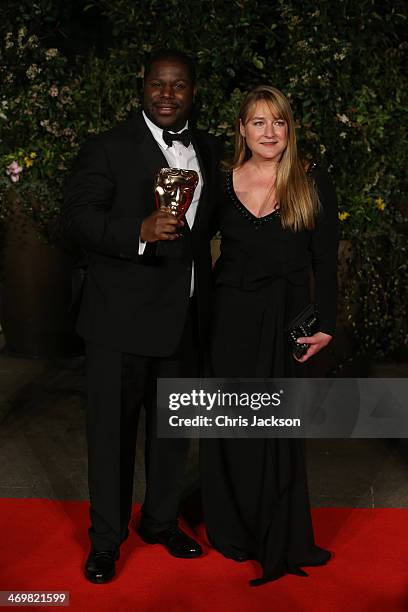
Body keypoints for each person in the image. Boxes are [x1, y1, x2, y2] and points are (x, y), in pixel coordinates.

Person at [62, 49, 220, 583]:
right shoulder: (107, 147)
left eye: (178, 86)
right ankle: (106, 541)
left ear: (192, 91)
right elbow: (79, 219)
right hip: (118, 323)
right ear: (144, 87)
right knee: (111, 439)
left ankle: (160, 521)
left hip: (184, 319)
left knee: (172, 434)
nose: (168, 95)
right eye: (158, 85)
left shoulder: (210, 150)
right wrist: (138, 230)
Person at [200, 85, 338, 585]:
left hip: (286, 321)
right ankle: (232, 527)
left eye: (278, 122)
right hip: (230, 319)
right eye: (258, 122)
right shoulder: (221, 182)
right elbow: (196, 250)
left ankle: (280, 533)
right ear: (242, 129)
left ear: (289, 128)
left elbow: (325, 261)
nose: (269, 132)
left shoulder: (311, 180)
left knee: (277, 432)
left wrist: (325, 325)